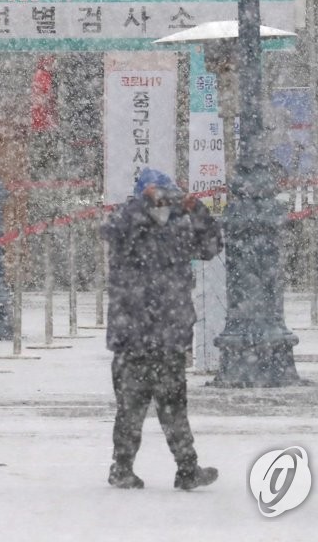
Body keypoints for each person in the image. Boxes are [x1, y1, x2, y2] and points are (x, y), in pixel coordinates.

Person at [101, 168, 223, 490]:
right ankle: (123, 467)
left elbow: (212, 246)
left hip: (167, 335)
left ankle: (187, 468)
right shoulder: (128, 226)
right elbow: (112, 227)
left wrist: (196, 209)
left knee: (173, 407)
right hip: (134, 336)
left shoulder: (178, 228)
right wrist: (144, 204)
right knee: (130, 408)